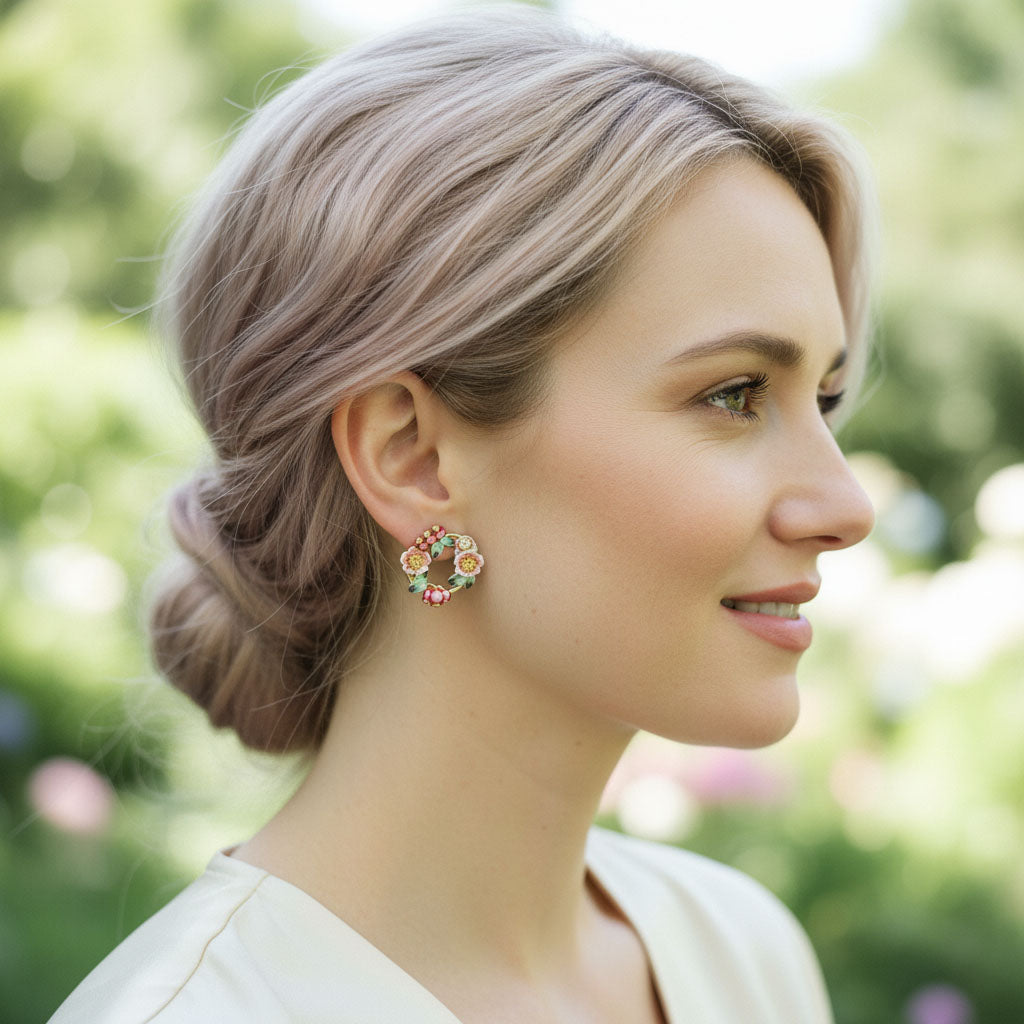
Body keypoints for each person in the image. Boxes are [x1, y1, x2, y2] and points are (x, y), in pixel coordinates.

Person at [51, 5, 877, 1022]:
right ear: (411, 456)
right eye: (735, 392)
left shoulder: (743, 953)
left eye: (824, 401)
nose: (845, 504)